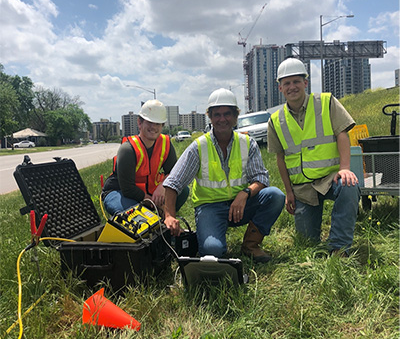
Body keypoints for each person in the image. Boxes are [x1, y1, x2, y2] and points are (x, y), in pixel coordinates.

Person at [163, 88, 285, 263]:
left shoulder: (247, 143)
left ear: (235, 116)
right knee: (212, 252)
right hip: (210, 208)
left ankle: (250, 245)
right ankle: (208, 234)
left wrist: (245, 194)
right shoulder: (199, 147)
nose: (222, 119)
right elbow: (173, 182)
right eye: (217, 114)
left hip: (241, 205)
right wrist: (169, 216)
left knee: (275, 196)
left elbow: (261, 178)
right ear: (210, 117)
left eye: (227, 114)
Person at [267, 58, 360, 256]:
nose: (292, 87)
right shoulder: (275, 120)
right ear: (280, 88)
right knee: (308, 247)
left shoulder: (326, 102)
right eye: (287, 83)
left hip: (330, 178)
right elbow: (280, 158)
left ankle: (339, 247)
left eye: (296, 81)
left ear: (305, 83)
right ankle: (320, 244)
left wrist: (344, 168)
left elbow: (342, 133)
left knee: (349, 186)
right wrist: (289, 192)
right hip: (302, 189)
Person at [102, 99, 189, 216]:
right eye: (149, 122)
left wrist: (163, 186)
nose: (153, 127)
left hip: (149, 191)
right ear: (140, 123)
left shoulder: (165, 144)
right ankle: (150, 219)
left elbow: (174, 173)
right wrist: (153, 202)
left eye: (157, 123)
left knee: (182, 191)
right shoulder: (128, 149)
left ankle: (163, 221)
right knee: (132, 213)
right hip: (120, 193)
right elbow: (128, 189)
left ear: (162, 125)